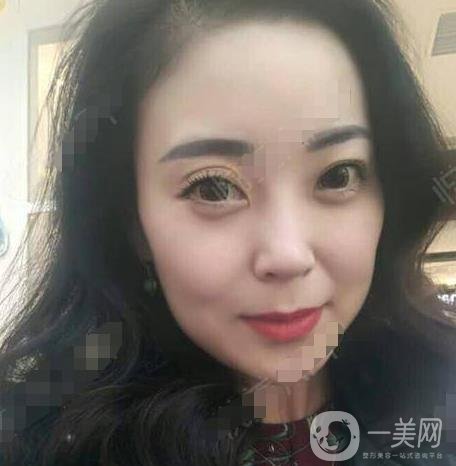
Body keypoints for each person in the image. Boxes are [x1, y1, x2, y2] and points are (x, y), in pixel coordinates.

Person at [1, 0, 455, 464]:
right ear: (133, 222)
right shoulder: (44, 441)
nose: (288, 254)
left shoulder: (439, 396)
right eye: (213, 187)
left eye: (337, 176)